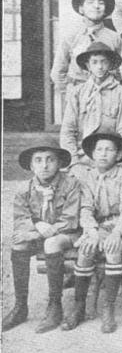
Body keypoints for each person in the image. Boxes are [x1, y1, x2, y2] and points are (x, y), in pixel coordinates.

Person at [2, 140, 87, 333]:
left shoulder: (71, 184)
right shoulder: (25, 188)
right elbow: (21, 219)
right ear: (31, 166)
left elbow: (71, 219)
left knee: (50, 242)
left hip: (67, 234)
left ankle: (55, 306)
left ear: (59, 163)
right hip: (39, 233)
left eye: (50, 160)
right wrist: (37, 226)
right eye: (38, 161)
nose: (45, 165)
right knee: (19, 244)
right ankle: (20, 306)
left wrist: (42, 231)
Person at [62, 131, 122, 333]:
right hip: (97, 227)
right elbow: (85, 208)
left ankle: (108, 308)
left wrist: (117, 232)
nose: (103, 154)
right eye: (99, 150)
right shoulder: (88, 177)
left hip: (118, 226)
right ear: (92, 154)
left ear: (118, 155)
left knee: (112, 250)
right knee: (85, 250)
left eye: (109, 150)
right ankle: (79, 307)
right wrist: (91, 230)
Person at [60, 42, 122, 172]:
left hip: (111, 158)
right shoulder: (77, 93)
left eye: (104, 62)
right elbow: (67, 131)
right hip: (82, 158)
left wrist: (119, 159)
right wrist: (74, 162)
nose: (99, 67)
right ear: (88, 65)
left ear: (110, 64)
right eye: (94, 62)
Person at [50, 0, 121, 103]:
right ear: (81, 9)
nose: (96, 6)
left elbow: (121, 71)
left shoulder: (115, 38)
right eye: (90, 2)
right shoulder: (71, 37)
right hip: (79, 96)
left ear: (105, 9)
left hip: (108, 97)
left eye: (101, 3)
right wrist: (71, 93)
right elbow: (57, 72)